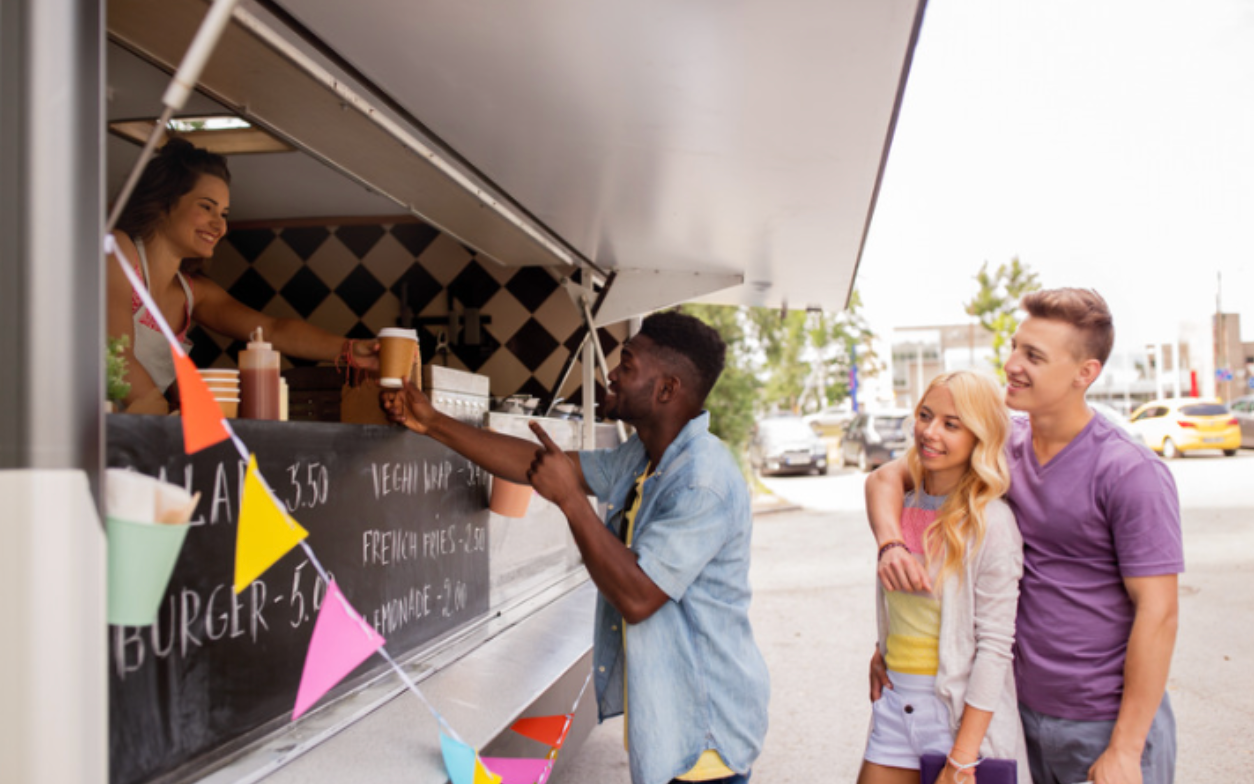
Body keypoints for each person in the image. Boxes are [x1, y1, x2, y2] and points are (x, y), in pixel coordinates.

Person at [382, 310, 769, 784]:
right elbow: (538, 464)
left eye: (627, 365)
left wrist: (569, 499)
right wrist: (434, 423)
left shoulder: (701, 482)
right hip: (673, 730)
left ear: (667, 389)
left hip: (703, 741)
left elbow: (639, 596)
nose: (613, 375)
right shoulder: (648, 457)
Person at [866, 289, 1182, 784]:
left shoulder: (1129, 472)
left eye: (1033, 356)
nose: (1011, 364)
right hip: (1017, 711)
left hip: (1101, 723)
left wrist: (1125, 747)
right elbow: (887, 480)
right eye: (1015, 347)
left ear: (1086, 373)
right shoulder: (998, 442)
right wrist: (892, 550)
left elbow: (1159, 614)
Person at [107, 137, 378, 414]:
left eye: (224, 213)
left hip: (127, 437)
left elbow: (271, 330)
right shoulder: (117, 250)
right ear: (164, 202)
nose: (219, 224)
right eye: (206, 206)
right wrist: (166, 425)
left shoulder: (193, 292)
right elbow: (116, 354)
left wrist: (351, 350)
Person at [858, 370, 1028, 784]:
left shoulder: (991, 522)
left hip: (954, 717)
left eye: (952, 425)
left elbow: (994, 647)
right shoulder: (900, 507)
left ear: (979, 437)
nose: (930, 432)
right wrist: (886, 648)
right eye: (925, 416)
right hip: (897, 706)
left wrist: (964, 757)